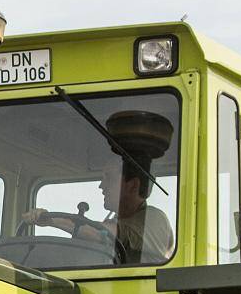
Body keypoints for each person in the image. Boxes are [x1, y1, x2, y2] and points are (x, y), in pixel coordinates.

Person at [27, 112, 174, 264]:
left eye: (108, 178)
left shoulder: (155, 220)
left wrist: (53, 220)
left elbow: (104, 234)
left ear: (133, 185)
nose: (101, 186)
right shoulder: (113, 220)